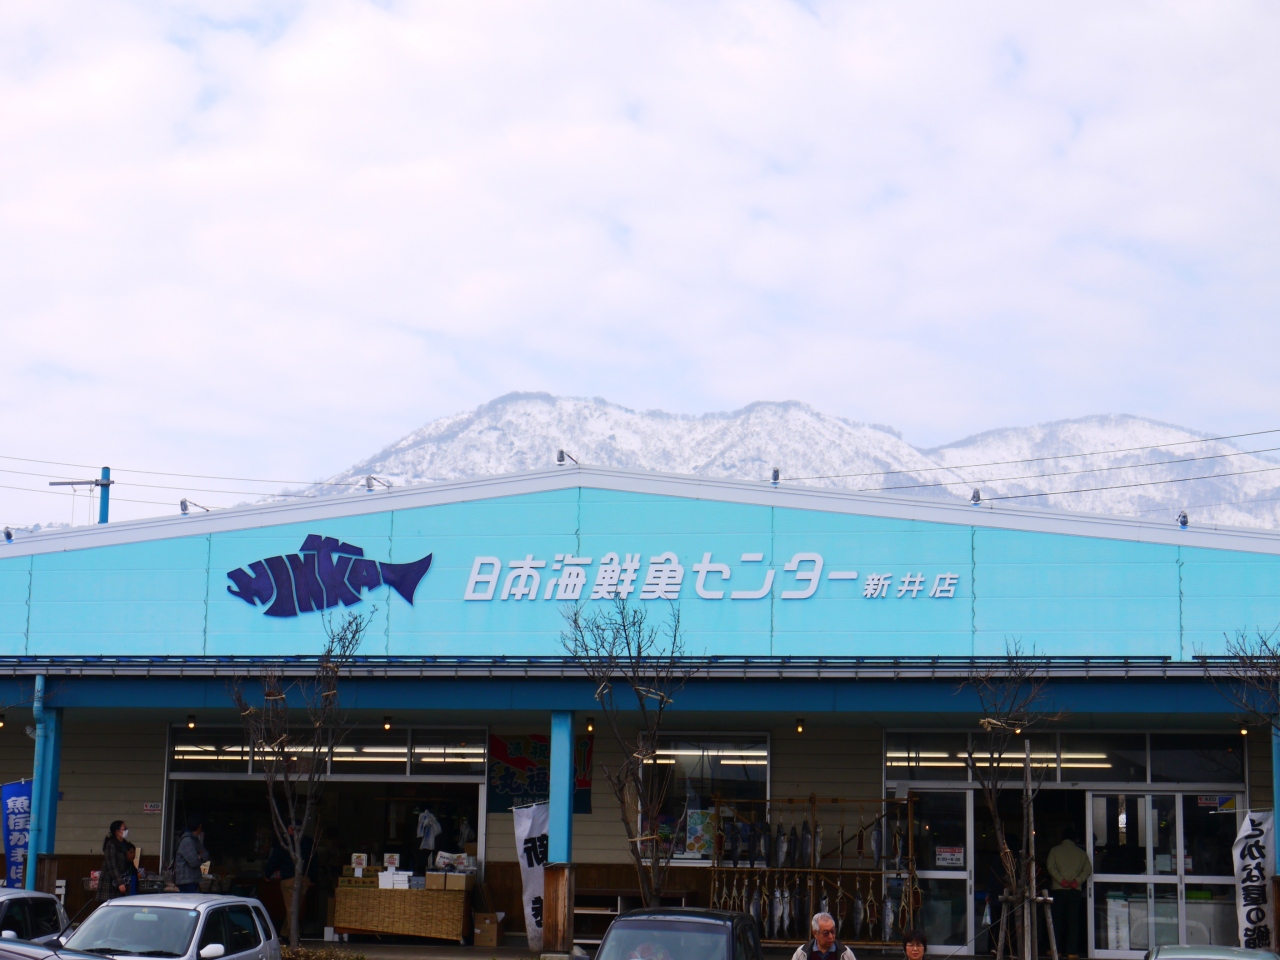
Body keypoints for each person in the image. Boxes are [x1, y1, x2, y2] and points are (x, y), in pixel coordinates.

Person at [1046, 825, 1091, 959]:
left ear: (1062, 838)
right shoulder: (1081, 853)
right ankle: (1072, 952)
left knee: (1057, 920)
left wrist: (1061, 880)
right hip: (1075, 890)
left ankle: (1056, 950)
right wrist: (1077, 881)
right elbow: (1088, 870)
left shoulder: (1054, 850)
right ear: (1075, 839)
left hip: (1058, 889)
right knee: (1073, 921)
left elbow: (1050, 867)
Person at [265, 823, 315, 940]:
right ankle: (285, 933)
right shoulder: (308, 842)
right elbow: (314, 860)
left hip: (289, 878)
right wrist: (313, 878)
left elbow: (275, 858)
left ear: (290, 829)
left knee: (291, 909)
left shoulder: (285, 842)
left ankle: (293, 936)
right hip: (304, 878)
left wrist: (267, 873)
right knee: (294, 907)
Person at [791, 912, 857, 960]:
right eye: (826, 933)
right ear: (815, 933)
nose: (830, 936)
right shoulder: (802, 953)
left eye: (832, 931)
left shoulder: (846, 953)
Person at [174, 819, 208, 893]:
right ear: (198, 826)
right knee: (191, 899)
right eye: (201, 826)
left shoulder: (195, 839)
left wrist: (200, 857)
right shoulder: (187, 840)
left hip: (192, 879)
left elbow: (206, 854)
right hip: (186, 880)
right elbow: (194, 861)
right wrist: (199, 857)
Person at [100, 821, 131, 899]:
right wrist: (120, 883)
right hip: (110, 882)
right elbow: (112, 865)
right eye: (124, 829)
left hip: (121, 880)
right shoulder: (111, 845)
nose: (126, 831)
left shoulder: (124, 844)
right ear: (117, 832)